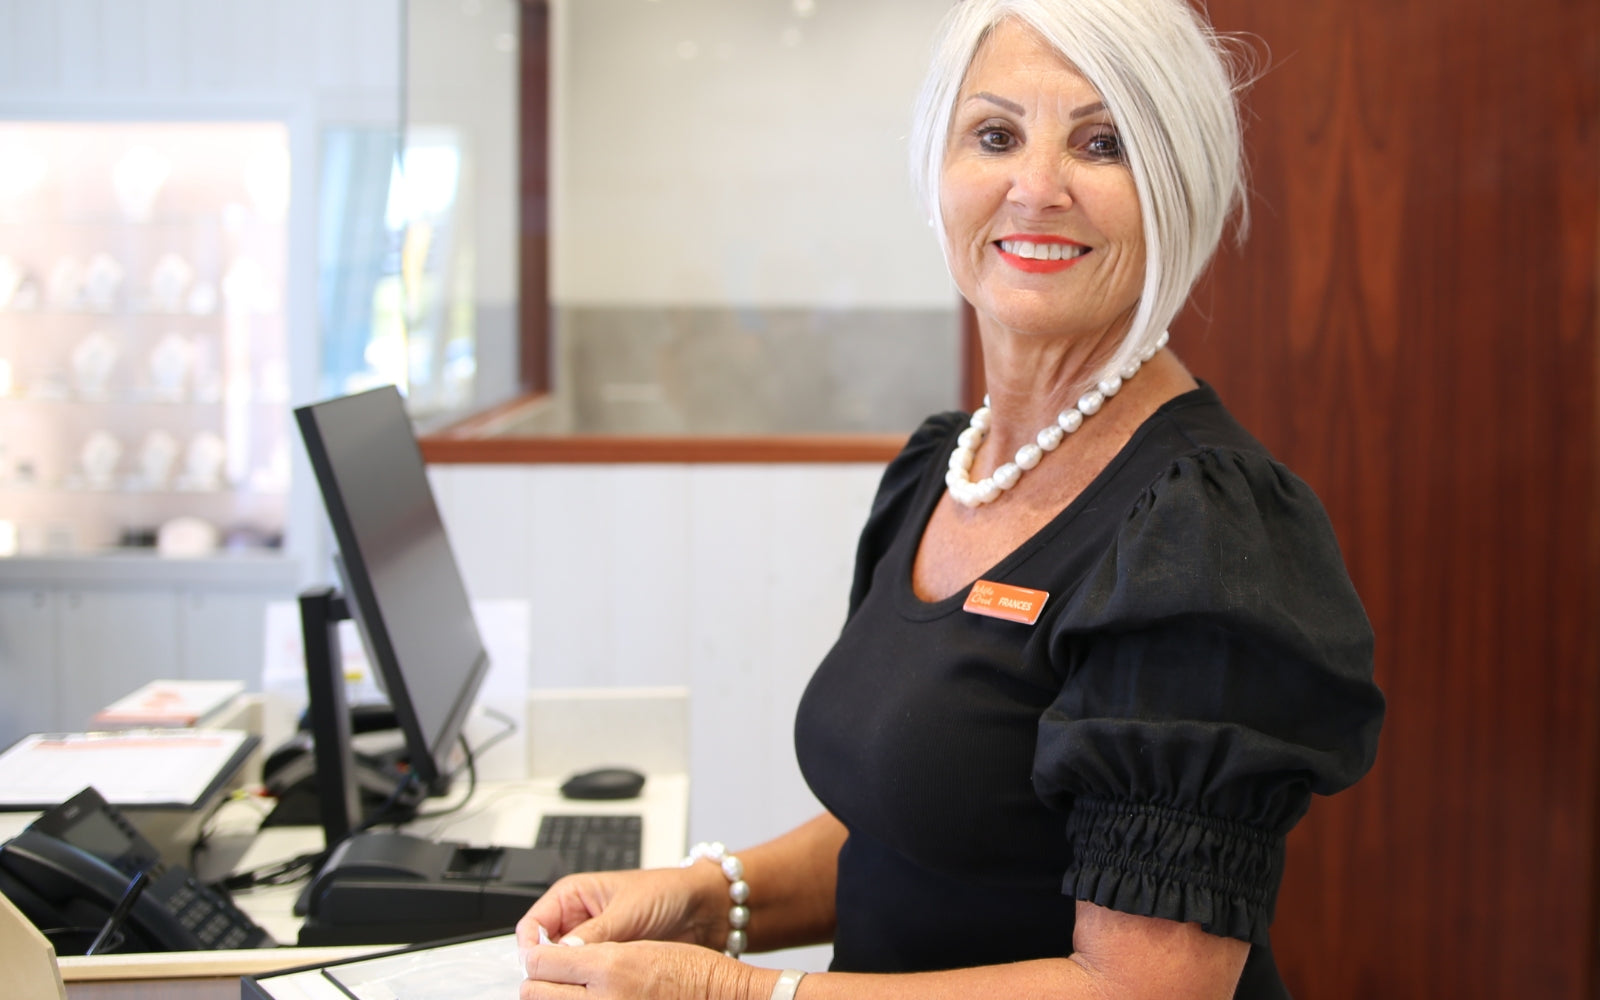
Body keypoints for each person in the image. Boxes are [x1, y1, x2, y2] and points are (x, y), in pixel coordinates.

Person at [517, 0, 1385, 997]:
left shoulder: (1201, 533)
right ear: (939, 171)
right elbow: (919, 813)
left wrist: (730, 988)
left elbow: (1141, 989)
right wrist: (711, 897)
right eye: (994, 133)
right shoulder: (942, 466)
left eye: (1101, 144)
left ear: (1174, 185)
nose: (1035, 187)